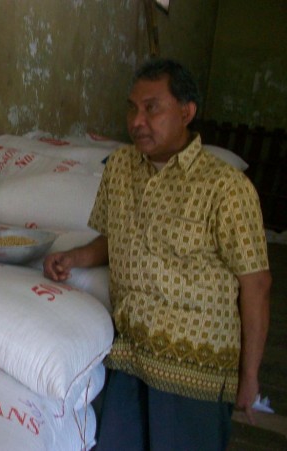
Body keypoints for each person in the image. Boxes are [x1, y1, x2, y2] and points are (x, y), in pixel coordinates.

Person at [43, 58, 271, 451]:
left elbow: (257, 284)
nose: (137, 121)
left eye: (152, 108)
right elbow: (116, 238)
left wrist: (249, 376)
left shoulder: (225, 187)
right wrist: (75, 258)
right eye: (132, 108)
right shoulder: (120, 167)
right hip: (129, 355)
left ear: (186, 112)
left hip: (194, 369)